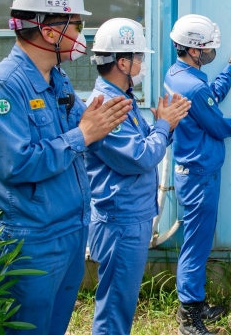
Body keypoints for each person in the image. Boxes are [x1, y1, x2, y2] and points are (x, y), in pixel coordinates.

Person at [0, 0, 132, 334]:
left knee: (55, 325)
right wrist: (82, 135)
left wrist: (99, 126)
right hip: (32, 239)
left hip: (72, 229)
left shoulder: (57, 78)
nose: (81, 37)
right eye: (76, 26)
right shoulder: (1, 87)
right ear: (49, 31)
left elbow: (84, 128)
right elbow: (15, 164)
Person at [83, 18, 191, 334]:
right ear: (122, 61)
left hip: (131, 217)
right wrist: (163, 125)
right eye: (139, 58)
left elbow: (147, 145)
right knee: (114, 310)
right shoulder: (105, 107)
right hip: (121, 221)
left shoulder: (123, 101)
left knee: (121, 305)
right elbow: (141, 156)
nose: (142, 64)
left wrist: (163, 127)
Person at [163, 14, 231, 335]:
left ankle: (196, 303)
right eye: (206, 49)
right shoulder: (191, 83)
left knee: (198, 240)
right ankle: (189, 318)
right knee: (197, 244)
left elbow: (210, 97)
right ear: (193, 50)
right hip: (199, 175)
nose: (208, 53)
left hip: (194, 171)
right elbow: (217, 123)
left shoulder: (179, 75)